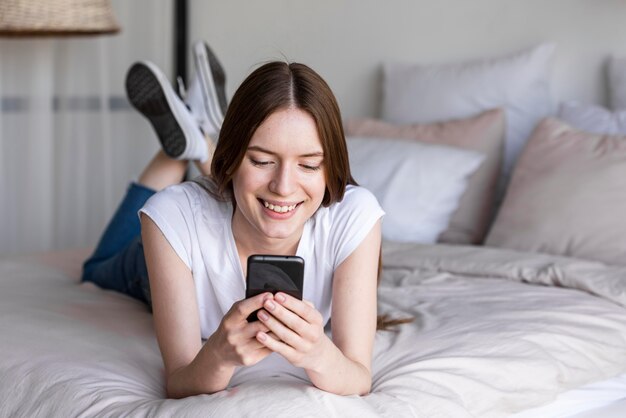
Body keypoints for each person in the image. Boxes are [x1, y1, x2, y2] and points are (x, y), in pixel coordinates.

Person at [82, 42, 384, 398]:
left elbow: (357, 377)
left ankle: (198, 137)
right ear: (233, 159)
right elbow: (180, 381)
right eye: (260, 160)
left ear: (330, 168)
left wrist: (319, 354)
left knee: (255, 194)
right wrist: (219, 356)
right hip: (164, 257)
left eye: (308, 164)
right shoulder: (174, 219)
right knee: (96, 269)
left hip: (225, 197)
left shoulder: (354, 217)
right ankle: (190, 143)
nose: (284, 186)